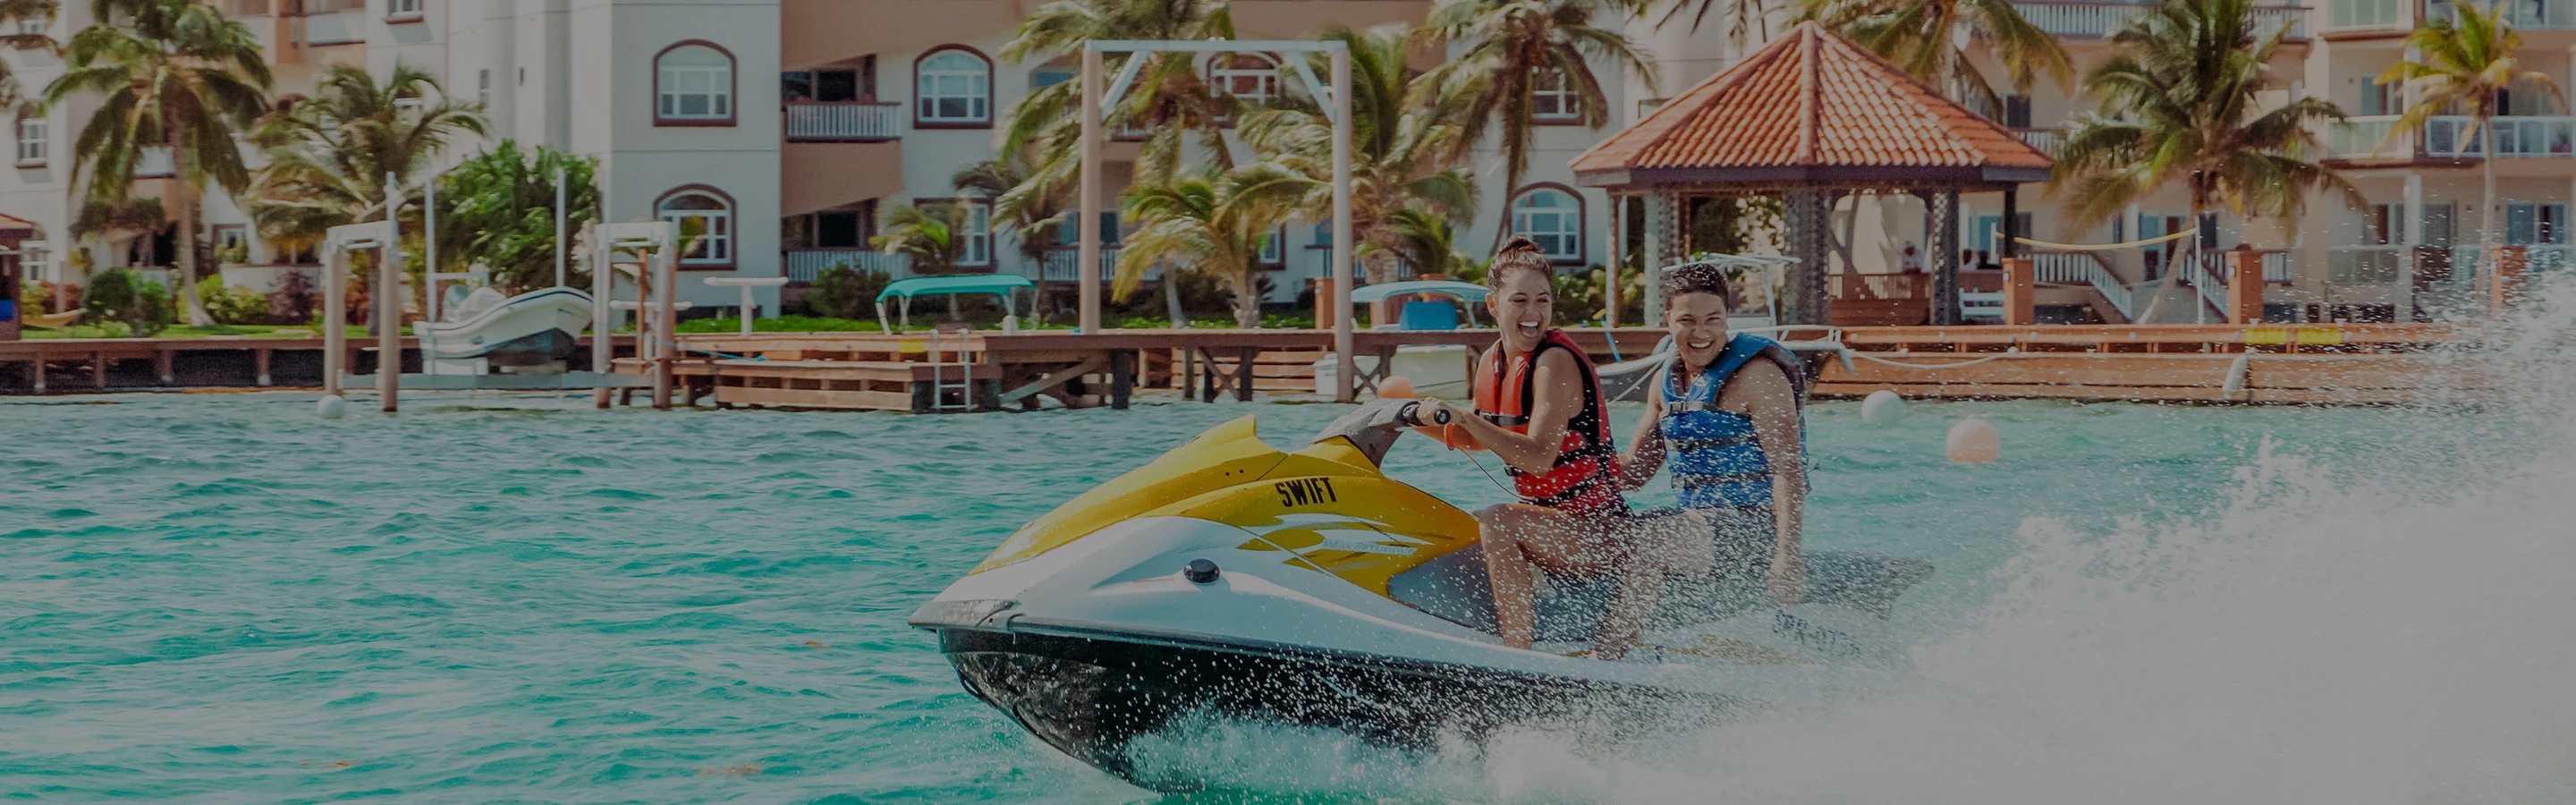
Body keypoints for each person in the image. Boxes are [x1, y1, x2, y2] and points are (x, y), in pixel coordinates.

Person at [1415, 237, 1693, 659]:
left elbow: (1539, 458)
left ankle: (1518, 657)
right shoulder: (1494, 361)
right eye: (1520, 300)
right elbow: (1476, 438)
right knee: (1451, 522)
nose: (1533, 313)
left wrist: (1464, 417)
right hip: (1554, 525)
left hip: (1602, 534)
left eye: (1542, 301)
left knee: (1498, 521)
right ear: (1494, 306)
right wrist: (1406, 422)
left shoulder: (1555, 362)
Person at [1619, 262, 1808, 607]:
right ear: (1669, 320)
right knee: (1609, 532)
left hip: (1753, 529)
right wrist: (1569, 460)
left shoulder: (1758, 377)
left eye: (1713, 320)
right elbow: (1634, 473)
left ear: (1727, 319)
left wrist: (1788, 555)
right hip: (1694, 527)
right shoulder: (1666, 383)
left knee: (1649, 538)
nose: (1700, 333)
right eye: (1687, 321)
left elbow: (1788, 472)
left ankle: (1606, 656)